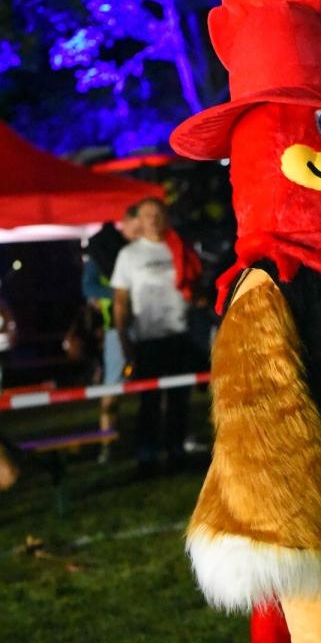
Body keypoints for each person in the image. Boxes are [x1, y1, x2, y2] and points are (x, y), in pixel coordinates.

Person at [110, 197, 201, 476]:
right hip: (148, 339)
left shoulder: (179, 248)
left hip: (179, 335)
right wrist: (123, 337)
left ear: (166, 217)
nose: (153, 219)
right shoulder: (129, 255)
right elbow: (120, 301)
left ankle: (176, 452)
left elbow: (194, 286)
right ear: (139, 220)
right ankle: (146, 457)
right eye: (147, 215)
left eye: (158, 214)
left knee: (179, 400)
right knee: (149, 402)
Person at [82, 204, 141, 461]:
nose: (140, 231)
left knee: (154, 381)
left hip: (147, 324)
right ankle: (107, 443)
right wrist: (121, 294)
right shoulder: (103, 250)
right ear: (126, 221)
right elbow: (88, 287)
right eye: (137, 226)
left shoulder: (141, 248)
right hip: (116, 327)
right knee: (113, 385)